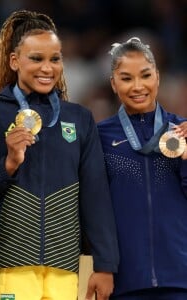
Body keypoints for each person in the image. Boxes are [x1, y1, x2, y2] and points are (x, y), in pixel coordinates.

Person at [0, 9, 119, 300]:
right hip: (6, 262)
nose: (47, 68)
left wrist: (105, 264)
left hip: (63, 267)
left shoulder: (80, 119)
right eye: (36, 58)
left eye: (55, 59)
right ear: (14, 61)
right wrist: (8, 164)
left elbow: (95, 195)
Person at [97, 37, 187, 299]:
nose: (138, 86)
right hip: (124, 281)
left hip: (180, 279)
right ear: (113, 84)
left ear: (157, 77)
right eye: (126, 78)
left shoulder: (181, 130)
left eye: (145, 75)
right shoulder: (100, 137)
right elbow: (94, 206)